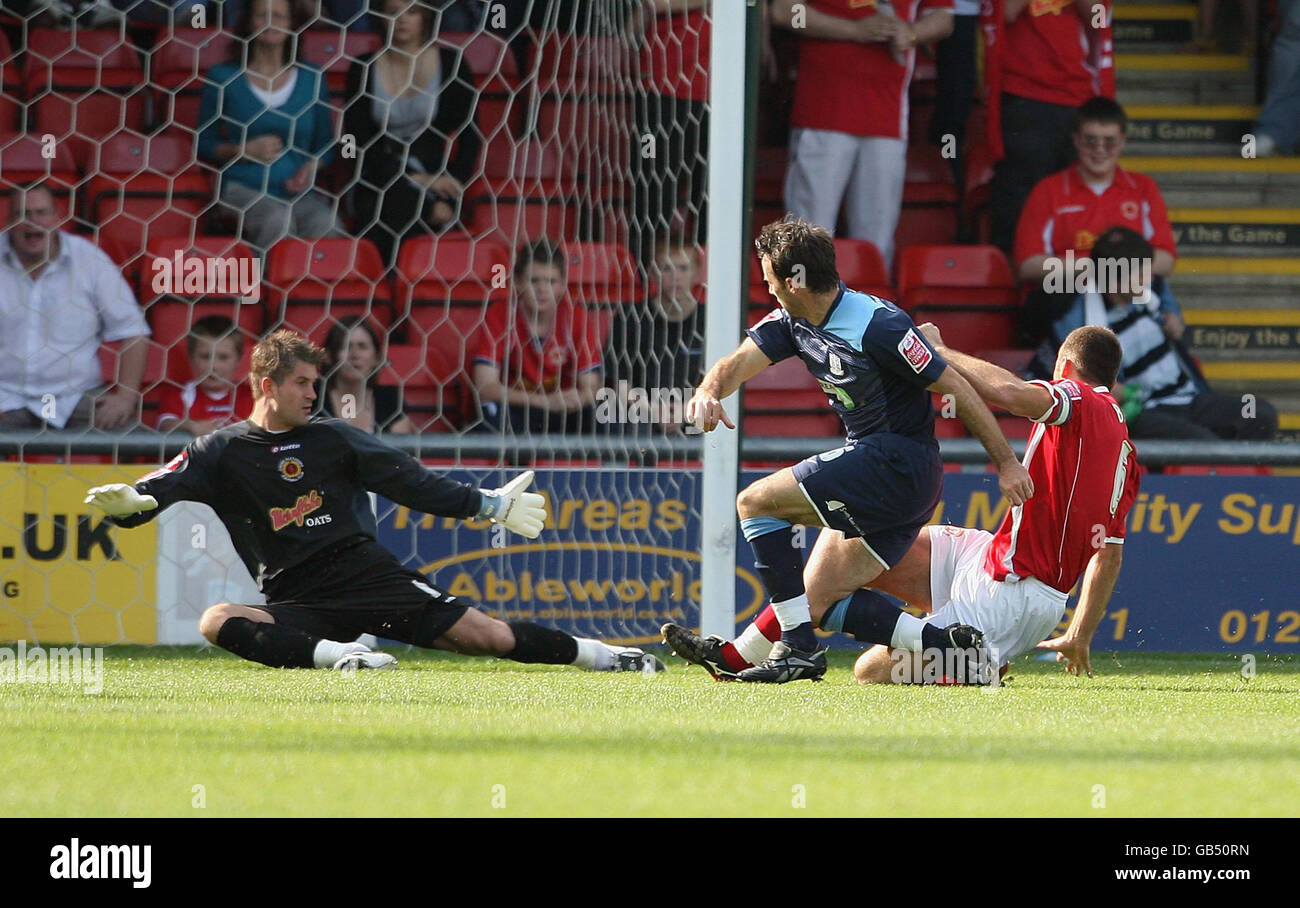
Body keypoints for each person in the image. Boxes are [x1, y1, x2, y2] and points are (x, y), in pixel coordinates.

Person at [84, 329, 665, 674]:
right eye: (302, 383)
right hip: (296, 599)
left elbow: (406, 481)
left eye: (317, 382)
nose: (315, 393)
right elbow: (156, 493)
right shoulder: (218, 451)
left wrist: (485, 506)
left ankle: (612, 658)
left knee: (489, 638)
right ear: (266, 385)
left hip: (367, 577)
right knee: (216, 620)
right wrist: (130, 502)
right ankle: (342, 659)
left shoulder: (331, 436)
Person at [666, 217, 1032, 683]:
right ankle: (952, 649)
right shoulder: (792, 321)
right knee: (817, 597)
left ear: (794, 279)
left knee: (755, 502)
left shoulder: (879, 325)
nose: (767, 288)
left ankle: (797, 648)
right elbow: (735, 364)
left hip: (897, 463)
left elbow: (956, 384)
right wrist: (709, 391)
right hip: (887, 472)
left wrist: (1006, 463)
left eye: (770, 278)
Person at [852, 324, 1139, 682]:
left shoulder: (1077, 396)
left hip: (1011, 595)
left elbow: (1011, 393)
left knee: (869, 672)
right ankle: (785, 641)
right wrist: (1079, 634)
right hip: (992, 560)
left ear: (1064, 368)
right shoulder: (1126, 453)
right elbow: (1109, 555)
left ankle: (978, 662)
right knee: (858, 549)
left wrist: (941, 351)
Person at [1032, 227, 1278, 441]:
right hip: (1144, 411)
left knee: (1259, 412)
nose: (1149, 278)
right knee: (1203, 443)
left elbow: (1177, 325)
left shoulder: (1153, 292)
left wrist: (1174, 326)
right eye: (1141, 274)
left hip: (1187, 399)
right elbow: (1074, 380)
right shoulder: (1080, 323)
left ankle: (1244, 481)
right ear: (1114, 281)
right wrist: (1118, 389)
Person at [772, 0, 954, 270]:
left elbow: (944, 16)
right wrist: (854, 30)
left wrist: (912, 33)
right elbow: (784, 12)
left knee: (875, 241)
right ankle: (803, 312)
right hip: (825, 111)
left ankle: (869, 309)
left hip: (887, 115)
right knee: (808, 237)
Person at [1015, 97, 1184, 343]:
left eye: (1109, 141)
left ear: (1123, 140)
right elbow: (1028, 265)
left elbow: (1166, 259)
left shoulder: (1142, 188)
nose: (1100, 149)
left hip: (1126, 292)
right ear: (1076, 140)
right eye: (1090, 140)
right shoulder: (1048, 190)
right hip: (1067, 291)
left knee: (1158, 293)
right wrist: (1101, 269)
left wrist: (1115, 274)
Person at [198, 0, 344, 254]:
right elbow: (203, 143)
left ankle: (311, 293)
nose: (269, 22)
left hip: (295, 191)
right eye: (261, 15)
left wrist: (310, 168)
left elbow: (326, 145)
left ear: (292, 25)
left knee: (327, 223)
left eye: (279, 16)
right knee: (278, 221)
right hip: (242, 187)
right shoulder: (223, 76)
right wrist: (242, 150)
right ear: (248, 23)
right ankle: (268, 291)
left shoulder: (312, 77)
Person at [343, 0, 481, 269]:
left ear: (427, 17)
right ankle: (403, 293)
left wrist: (449, 185)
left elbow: (471, 136)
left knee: (383, 215)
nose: (402, 19)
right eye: (392, 12)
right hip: (376, 179)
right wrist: (416, 182)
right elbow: (356, 142)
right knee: (391, 204)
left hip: (438, 181)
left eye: (412, 12)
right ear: (380, 17)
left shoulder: (453, 64)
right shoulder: (362, 67)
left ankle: (385, 293)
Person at [0, 183, 149, 431]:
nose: (32, 221)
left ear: (57, 218)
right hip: (6, 399)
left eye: (41, 212)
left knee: (143, 444)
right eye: (22, 214)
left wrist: (125, 397)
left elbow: (135, 332)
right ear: (9, 221)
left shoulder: (89, 260)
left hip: (77, 399)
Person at [988, 0, 1113, 253]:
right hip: (1025, 92)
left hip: (1077, 94)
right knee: (1022, 195)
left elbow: (1098, 19)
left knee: (1076, 192)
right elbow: (1007, 12)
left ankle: (1071, 275)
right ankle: (1020, 274)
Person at [472, 238, 603, 434]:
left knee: (603, 413)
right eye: (533, 281)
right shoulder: (500, 314)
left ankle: (596, 465)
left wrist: (573, 399)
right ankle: (503, 465)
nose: (542, 290)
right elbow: (485, 387)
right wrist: (543, 401)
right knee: (489, 412)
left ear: (563, 284)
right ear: (517, 282)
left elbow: (591, 386)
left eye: (551, 281)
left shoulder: (576, 317)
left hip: (563, 409)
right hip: (517, 407)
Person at [602, 235, 706, 433]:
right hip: (642, 413)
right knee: (614, 414)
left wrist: (685, 411)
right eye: (666, 268)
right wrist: (655, 411)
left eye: (683, 268)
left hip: (696, 411)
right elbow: (621, 383)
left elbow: (721, 381)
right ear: (652, 273)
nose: (675, 276)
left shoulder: (710, 321)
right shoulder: (630, 318)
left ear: (696, 273)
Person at [157, 316, 255, 435]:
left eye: (223, 357)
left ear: (238, 360)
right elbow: (165, 424)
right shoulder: (180, 393)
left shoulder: (251, 397)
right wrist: (192, 426)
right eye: (205, 356)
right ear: (191, 358)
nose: (213, 366)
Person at [317, 315, 415, 434]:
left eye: (362, 346)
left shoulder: (389, 399)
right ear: (328, 355)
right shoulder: (315, 398)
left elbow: (401, 448)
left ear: (377, 358)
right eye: (346, 346)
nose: (354, 354)